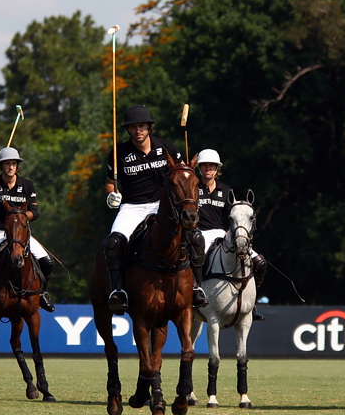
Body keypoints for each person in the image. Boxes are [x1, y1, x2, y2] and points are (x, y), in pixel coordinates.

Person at [103, 104, 208, 314]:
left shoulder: (165, 146)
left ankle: (196, 287)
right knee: (114, 242)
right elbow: (109, 182)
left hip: (163, 206)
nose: (138, 130)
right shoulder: (119, 153)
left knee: (196, 238)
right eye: (133, 127)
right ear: (128, 129)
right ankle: (118, 291)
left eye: (141, 126)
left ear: (149, 127)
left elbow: (182, 172)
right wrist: (112, 194)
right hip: (132, 207)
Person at [0, 147, 56, 314]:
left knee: (47, 261)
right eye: (7, 164)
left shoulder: (27, 185)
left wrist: (19, 216)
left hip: (20, 233)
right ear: (1, 166)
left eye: (14, 163)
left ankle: (42, 294)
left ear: (17, 166)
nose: (11, 167)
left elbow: (35, 212)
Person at [194, 148, 268, 320]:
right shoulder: (193, 187)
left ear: (217, 168)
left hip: (223, 234)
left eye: (212, 165)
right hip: (200, 234)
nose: (208, 168)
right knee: (197, 260)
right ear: (200, 168)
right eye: (204, 165)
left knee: (260, 262)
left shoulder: (226, 190)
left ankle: (251, 303)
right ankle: (195, 293)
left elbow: (232, 216)